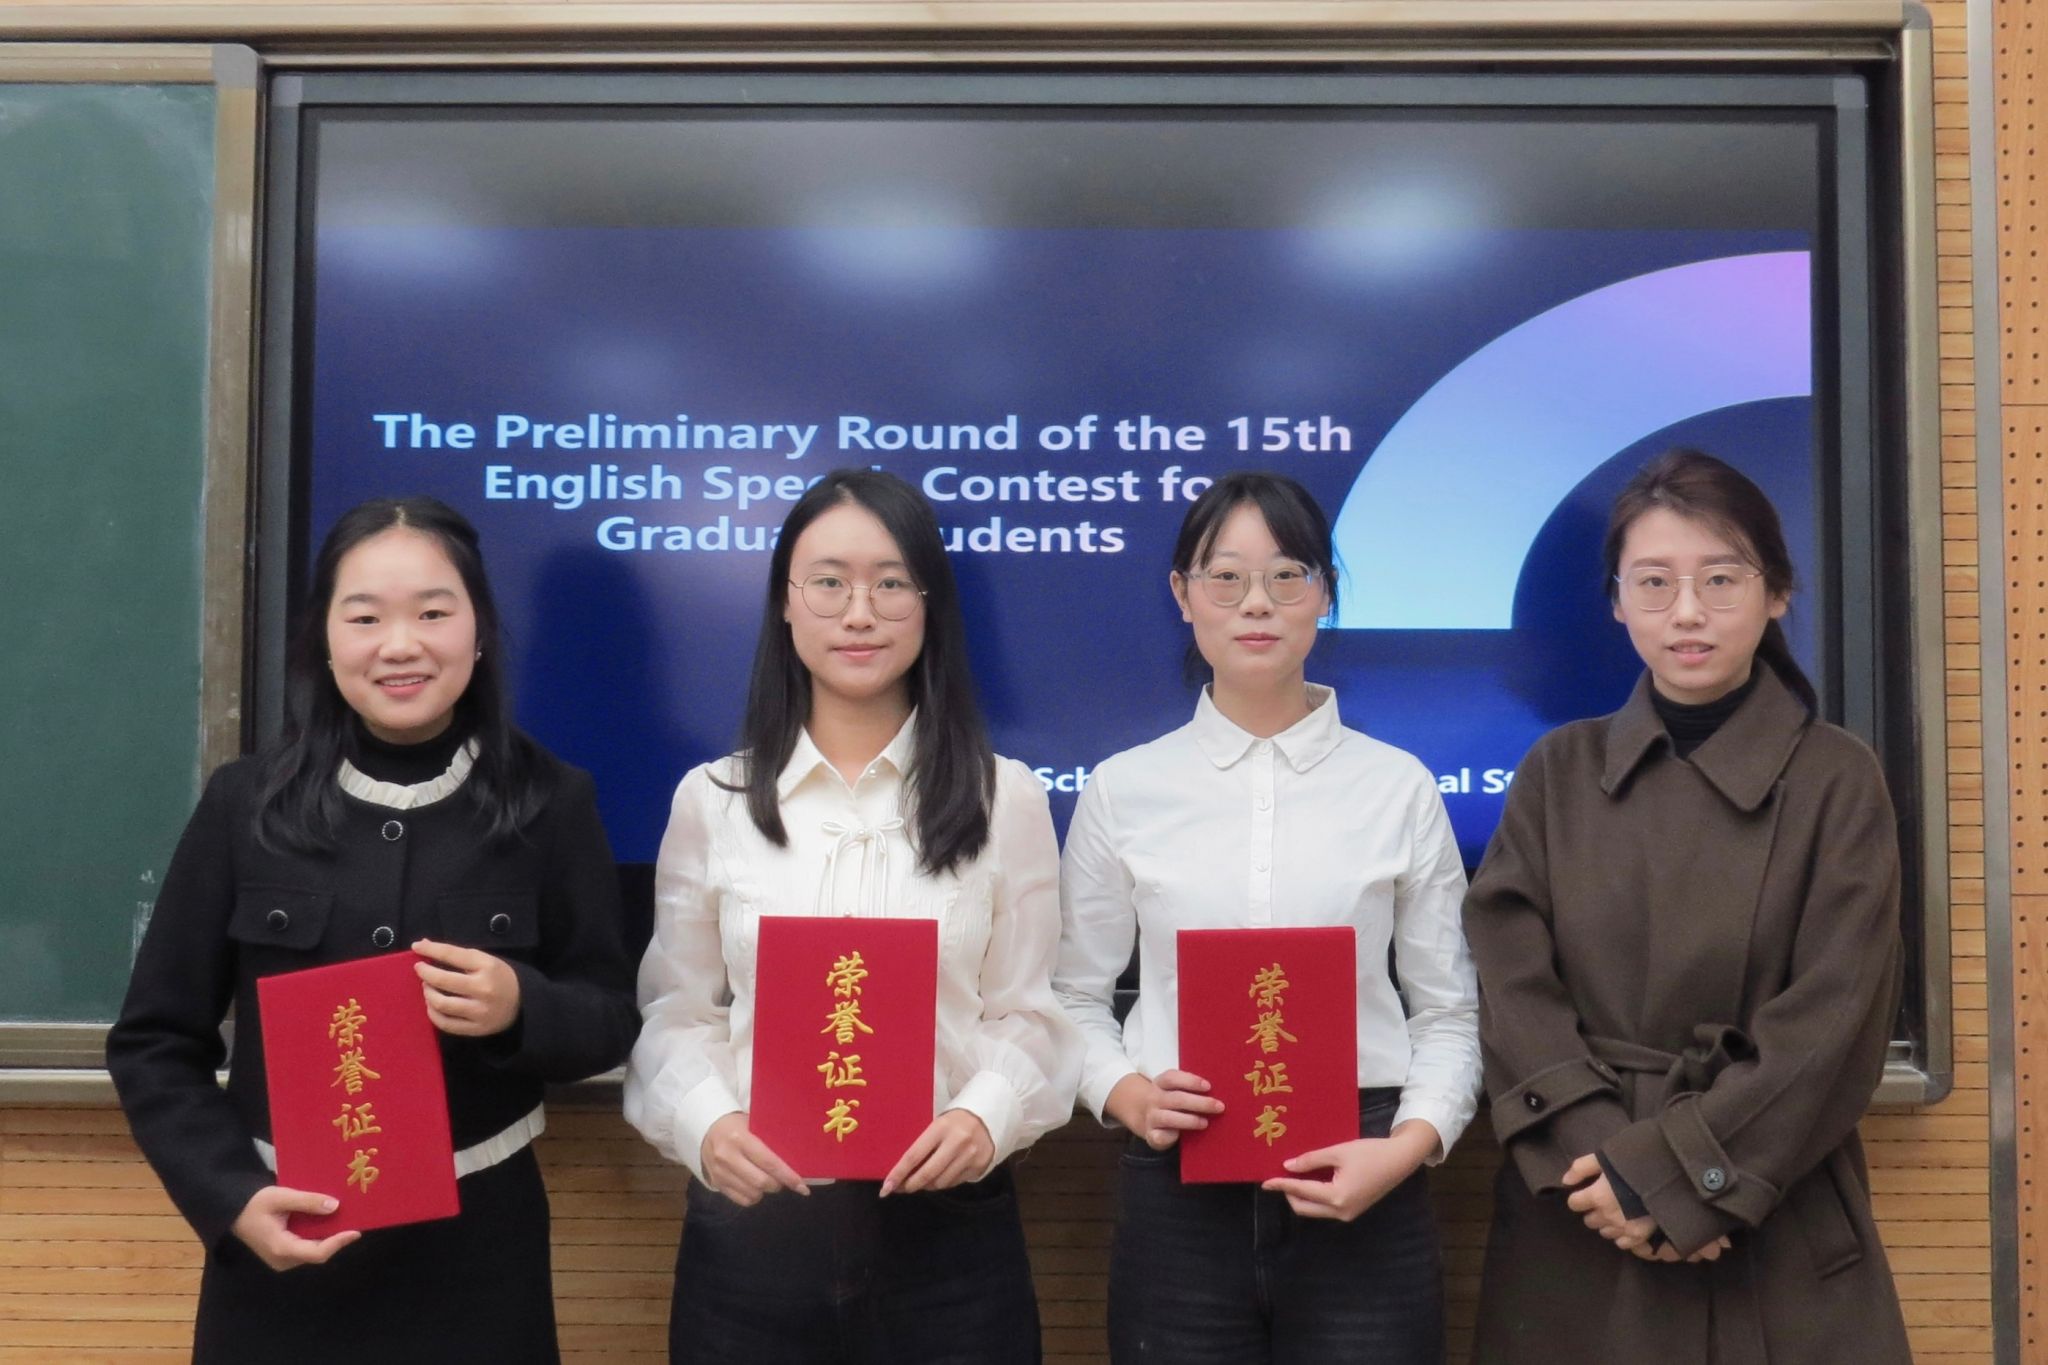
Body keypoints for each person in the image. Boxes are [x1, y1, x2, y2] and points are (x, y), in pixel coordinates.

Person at [107, 496, 639, 1365]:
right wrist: (231, 1195)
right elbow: (153, 1041)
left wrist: (520, 1005)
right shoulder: (245, 805)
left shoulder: (551, 802)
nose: (400, 645)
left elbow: (612, 1016)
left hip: (479, 1267)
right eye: (365, 617)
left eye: (433, 612)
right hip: (284, 1257)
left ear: (479, 629)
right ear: (324, 637)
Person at [1462, 449, 1913, 1363]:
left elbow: (1836, 1018)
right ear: (1617, 602)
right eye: (1654, 582)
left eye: (1720, 578)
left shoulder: (1837, 776)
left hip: (1765, 1198)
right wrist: (1617, 1173)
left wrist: (1683, 1179)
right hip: (1582, 1200)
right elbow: (1510, 988)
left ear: (1777, 592)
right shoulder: (1557, 771)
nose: (1688, 611)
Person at [624, 469, 1079, 1364]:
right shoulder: (713, 799)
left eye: (891, 582)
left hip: (948, 1235)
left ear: (930, 603)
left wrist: (987, 1115)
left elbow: (1029, 1008)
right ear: (786, 603)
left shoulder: (1006, 797)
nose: (859, 613)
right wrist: (707, 1122)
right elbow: (677, 1009)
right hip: (755, 1230)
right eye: (828, 582)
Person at [1055, 471, 1481, 1364]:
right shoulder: (1125, 788)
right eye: (1226, 576)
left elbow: (1447, 1009)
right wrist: (1127, 1093)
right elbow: (1071, 996)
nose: (1257, 602)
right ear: (1182, 594)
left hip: (1364, 1173)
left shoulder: (1397, 785)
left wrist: (1408, 1145)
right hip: (1178, 1184)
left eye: (1288, 575)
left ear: (1325, 592)